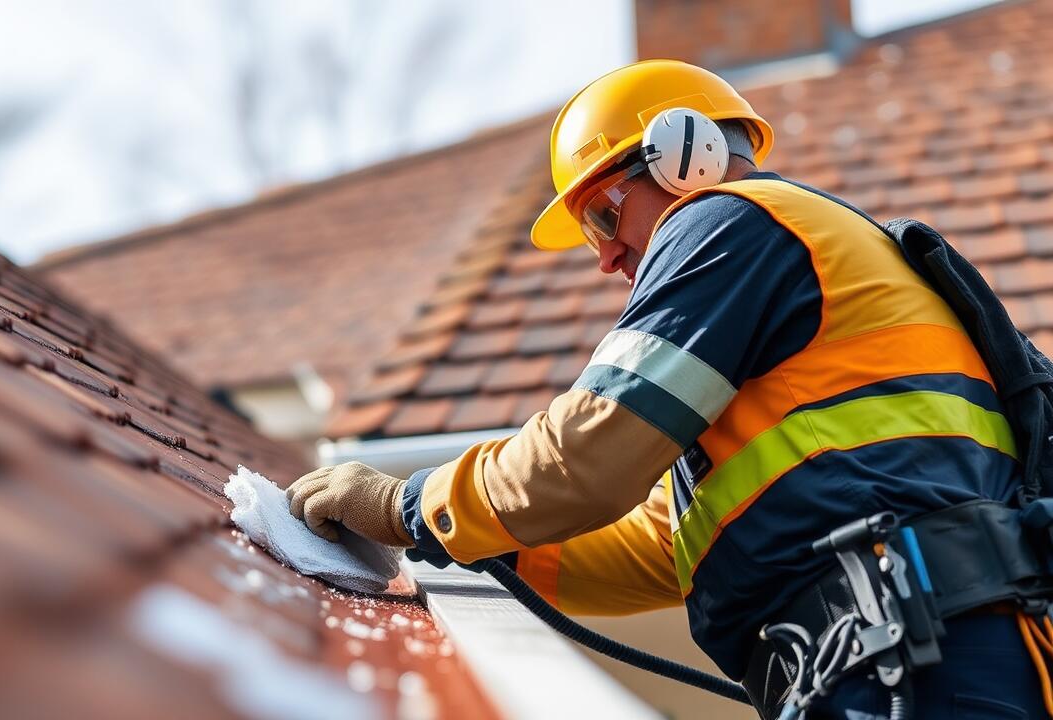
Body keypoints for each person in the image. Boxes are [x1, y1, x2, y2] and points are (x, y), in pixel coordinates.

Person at [288, 60, 1052, 718]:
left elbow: (589, 452)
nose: (607, 255)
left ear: (688, 154)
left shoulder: (728, 221)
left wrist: (409, 506)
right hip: (914, 651)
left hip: (912, 655)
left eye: (602, 214)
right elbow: (661, 544)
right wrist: (477, 544)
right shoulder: (795, 284)